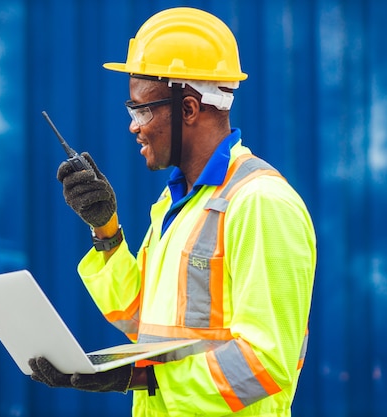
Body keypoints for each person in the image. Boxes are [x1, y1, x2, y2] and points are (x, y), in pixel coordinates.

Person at [29, 7, 317, 417]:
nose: (133, 125)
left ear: (188, 109)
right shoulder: (176, 203)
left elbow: (265, 364)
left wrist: (140, 377)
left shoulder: (260, 203)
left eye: (141, 109)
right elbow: (140, 317)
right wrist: (105, 228)